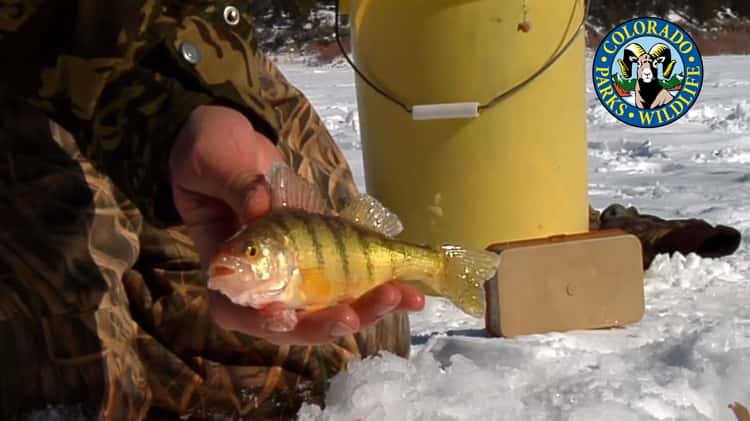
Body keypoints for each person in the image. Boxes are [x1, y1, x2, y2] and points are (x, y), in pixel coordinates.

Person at [0, 2, 423, 420]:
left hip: (192, 40)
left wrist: (181, 108)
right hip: (25, 74)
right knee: (94, 386)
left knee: (355, 348)